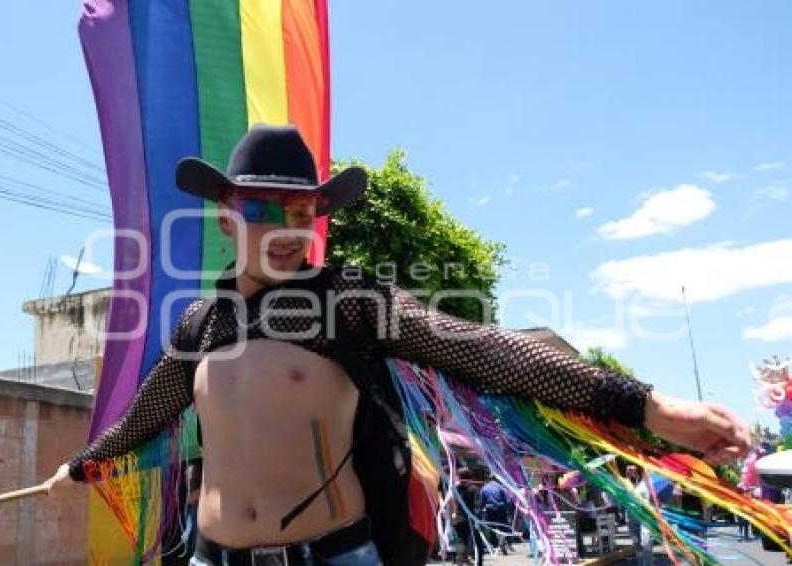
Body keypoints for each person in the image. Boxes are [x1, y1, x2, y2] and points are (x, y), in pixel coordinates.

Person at [43, 125, 751, 565]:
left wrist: (647, 405)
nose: (289, 228)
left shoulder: (350, 303)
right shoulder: (202, 323)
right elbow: (148, 414)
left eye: (305, 210)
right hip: (209, 556)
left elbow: (485, 349)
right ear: (228, 220)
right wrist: (82, 464)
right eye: (263, 210)